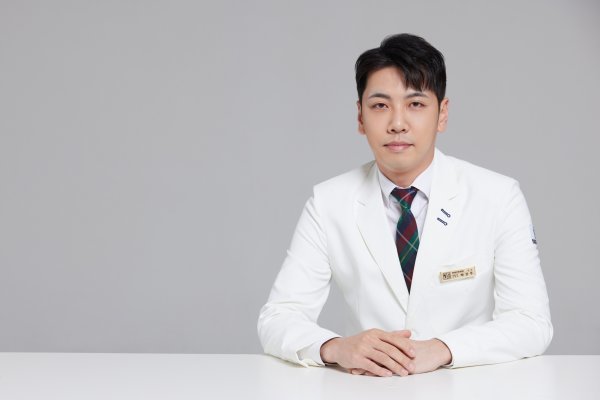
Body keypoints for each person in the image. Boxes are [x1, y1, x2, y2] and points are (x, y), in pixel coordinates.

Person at [257, 33, 552, 377]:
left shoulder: (498, 196)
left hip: (467, 384)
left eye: (416, 104)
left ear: (442, 114)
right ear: (360, 117)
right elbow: (278, 318)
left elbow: (531, 322)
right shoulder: (328, 203)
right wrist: (337, 347)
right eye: (380, 106)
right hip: (368, 387)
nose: (397, 124)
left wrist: (443, 349)